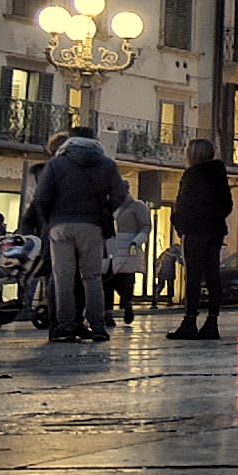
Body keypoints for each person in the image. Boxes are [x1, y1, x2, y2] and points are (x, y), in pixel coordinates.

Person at [32, 125, 129, 344]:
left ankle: (66, 325)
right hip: (92, 225)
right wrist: (105, 211)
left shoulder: (56, 163)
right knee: (92, 277)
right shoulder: (107, 164)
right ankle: (98, 327)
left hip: (60, 226)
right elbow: (120, 196)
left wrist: (52, 219)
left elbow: (41, 197)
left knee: (63, 277)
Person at [168, 139, 232, 341]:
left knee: (193, 276)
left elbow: (184, 204)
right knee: (213, 276)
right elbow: (227, 204)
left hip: (195, 231)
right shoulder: (219, 175)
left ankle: (190, 320)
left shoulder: (192, 175)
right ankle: (212, 322)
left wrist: (180, 225)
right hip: (215, 230)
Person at [105, 193, 150, 326]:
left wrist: (137, 241)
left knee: (125, 279)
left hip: (128, 246)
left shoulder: (137, 206)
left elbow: (145, 226)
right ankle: (108, 313)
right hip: (111, 246)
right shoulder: (110, 207)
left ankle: (126, 304)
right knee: (107, 280)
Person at [151, 241, 182, 308]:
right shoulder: (175, 254)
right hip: (170, 271)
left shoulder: (164, 253)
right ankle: (168, 300)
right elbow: (180, 260)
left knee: (161, 285)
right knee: (169, 286)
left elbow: (158, 261)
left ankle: (155, 298)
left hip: (162, 271)